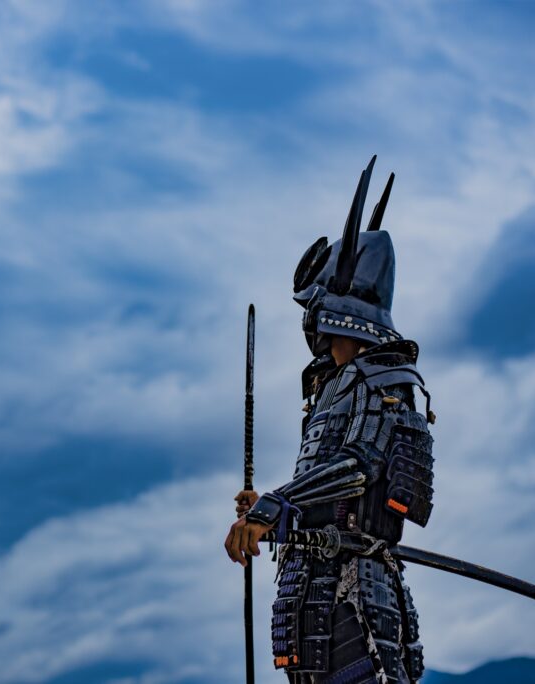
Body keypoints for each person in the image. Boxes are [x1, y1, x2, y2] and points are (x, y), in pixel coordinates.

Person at [224, 158, 434, 683]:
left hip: (357, 592)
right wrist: (281, 513)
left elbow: (358, 468)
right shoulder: (332, 387)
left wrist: (278, 503)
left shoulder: (386, 380)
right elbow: (330, 508)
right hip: (312, 589)